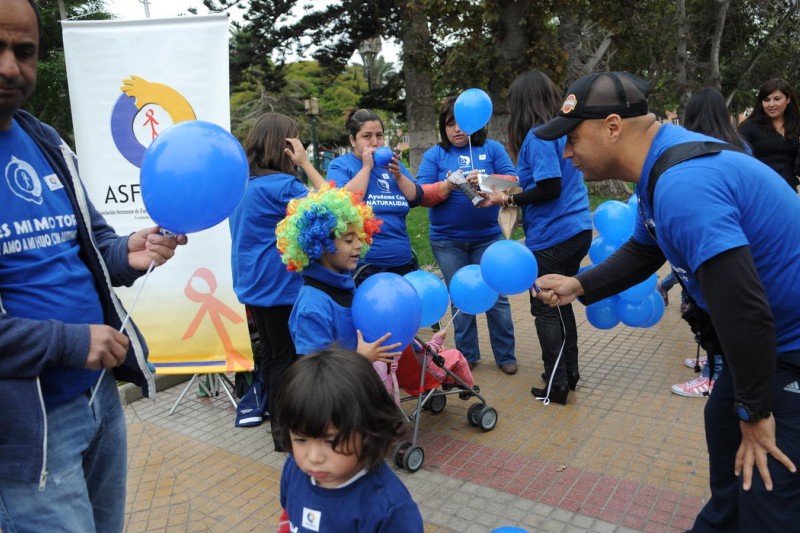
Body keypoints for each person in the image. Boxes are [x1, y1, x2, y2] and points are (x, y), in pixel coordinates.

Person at [534, 71, 800, 531]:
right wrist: (581, 285)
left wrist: (757, 413)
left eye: (574, 138)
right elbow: (645, 246)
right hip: (758, 350)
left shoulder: (683, 185)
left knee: (767, 499)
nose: (567, 152)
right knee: (726, 442)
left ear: (613, 127)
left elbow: (745, 310)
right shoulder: (661, 167)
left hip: (787, 350)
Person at [0, 1, 187, 530]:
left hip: (98, 398)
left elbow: (92, 243)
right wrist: (70, 342)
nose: (11, 67)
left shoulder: (45, 140)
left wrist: (128, 251)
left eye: (25, 51)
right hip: (27, 432)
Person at [480, 70, 592, 403]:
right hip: (576, 228)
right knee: (561, 303)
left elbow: (550, 186)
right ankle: (567, 372)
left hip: (554, 234)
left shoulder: (539, 136)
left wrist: (508, 198)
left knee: (544, 308)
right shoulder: (560, 132)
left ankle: (556, 383)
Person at [228, 112, 325, 449]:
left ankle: (280, 432)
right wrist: (306, 164)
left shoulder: (242, 185)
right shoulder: (283, 186)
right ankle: (288, 435)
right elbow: (332, 205)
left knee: (272, 355)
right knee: (287, 357)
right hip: (278, 286)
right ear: (285, 146)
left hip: (252, 284)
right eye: (295, 139)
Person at [416, 96, 518, 375]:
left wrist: (483, 181)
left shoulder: (492, 149)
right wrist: (448, 185)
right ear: (443, 128)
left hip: (488, 238)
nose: (457, 130)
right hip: (447, 241)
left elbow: (513, 183)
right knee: (460, 296)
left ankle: (506, 355)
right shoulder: (434, 155)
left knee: (497, 297)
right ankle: (467, 355)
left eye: (461, 123)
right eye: (450, 124)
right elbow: (421, 195)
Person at [273, 348, 423, 533]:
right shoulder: (294, 470)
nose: (313, 457)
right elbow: (288, 516)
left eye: (330, 441)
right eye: (300, 440)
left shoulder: (389, 510)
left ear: (368, 431)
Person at [275, 184, 403, 401]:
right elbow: (317, 377)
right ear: (321, 244)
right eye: (348, 239)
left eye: (359, 236)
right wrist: (362, 359)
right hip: (337, 407)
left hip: (358, 393)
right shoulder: (312, 307)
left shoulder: (346, 285)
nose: (358, 244)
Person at [669, 87, 751, 398]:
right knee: (713, 309)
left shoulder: (692, 150)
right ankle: (715, 364)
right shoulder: (740, 146)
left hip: (708, 243)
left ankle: (713, 373)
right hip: (734, 240)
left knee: (712, 308)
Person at [326, 108, 422, 284]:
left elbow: (416, 197)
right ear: (352, 140)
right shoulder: (341, 165)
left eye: (379, 135)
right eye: (367, 136)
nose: (375, 142)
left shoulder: (394, 165)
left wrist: (399, 176)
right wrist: (366, 168)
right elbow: (344, 203)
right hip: (364, 267)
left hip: (402, 262)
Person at [738, 78, 800, 191]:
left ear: (788, 99)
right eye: (766, 100)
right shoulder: (748, 127)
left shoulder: (796, 126)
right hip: (758, 192)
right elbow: (737, 160)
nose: (771, 104)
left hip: (788, 192)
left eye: (777, 99)